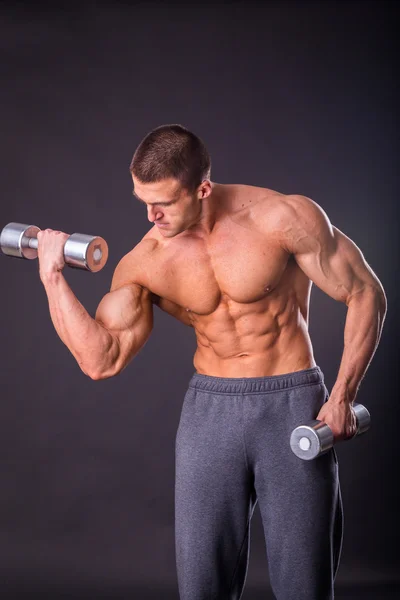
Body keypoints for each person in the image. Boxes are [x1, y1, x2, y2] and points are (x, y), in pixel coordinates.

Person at [37, 124, 387, 600]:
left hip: (292, 403)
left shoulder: (282, 217)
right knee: (202, 585)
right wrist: (53, 277)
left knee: (304, 584)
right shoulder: (145, 262)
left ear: (202, 188)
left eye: (162, 203)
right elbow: (102, 359)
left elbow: (366, 293)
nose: (150, 216)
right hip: (211, 413)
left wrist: (343, 394)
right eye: (142, 201)